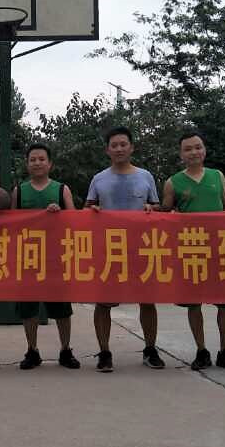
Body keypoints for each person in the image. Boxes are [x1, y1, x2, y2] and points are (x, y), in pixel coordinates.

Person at [162, 130, 225, 371]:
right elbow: (166, 212)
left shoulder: (217, 176)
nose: (194, 152)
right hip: (191, 249)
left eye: (198, 147)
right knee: (193, 303)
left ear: (204, 150)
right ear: (181, 154)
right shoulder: (173, 182)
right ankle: (201, 351)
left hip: (221, 248)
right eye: (188, 149)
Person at [85, 126, 164, 373]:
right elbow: (87, 209)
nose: (119, 149)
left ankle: (150, 349)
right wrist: (92, 210)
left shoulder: (145, 176)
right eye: (114, 145)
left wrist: (152, 209)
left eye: (123, 144)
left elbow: (157, 207)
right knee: (103, 303)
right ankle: (104, 352)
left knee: (147, 301)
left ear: (131, 147)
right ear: (107, 150)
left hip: (142, 248)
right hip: (109, 249)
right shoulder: (99, 179)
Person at [12, 143, 80, 370]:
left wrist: (60, 214)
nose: (37, 163)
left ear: (50, 163)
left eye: (42, 159)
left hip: (56, 258)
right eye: (33, 159)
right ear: (27, 164)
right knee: (28, 308)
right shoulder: (19, 191)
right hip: (28, 258)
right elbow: (11, 224)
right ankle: (32, 350)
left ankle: (65, 350)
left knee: (62, 309)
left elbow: (76, 221)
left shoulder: (61, 189)